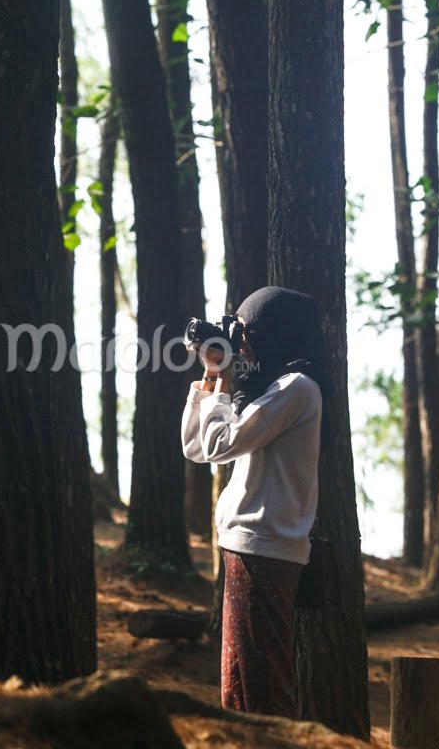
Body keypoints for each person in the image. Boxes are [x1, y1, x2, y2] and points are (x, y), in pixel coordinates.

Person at [180, 286, 325, 718]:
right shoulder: (269, 387)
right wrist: (210, 377)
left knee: (256, 687)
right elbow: (197, 446)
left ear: (270, 332)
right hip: (250, 546)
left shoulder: (295, 387)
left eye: (243, 331)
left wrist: (224, 380)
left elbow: (220, 442)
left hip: (263, 545)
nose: (238, 342)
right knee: (244, 681)